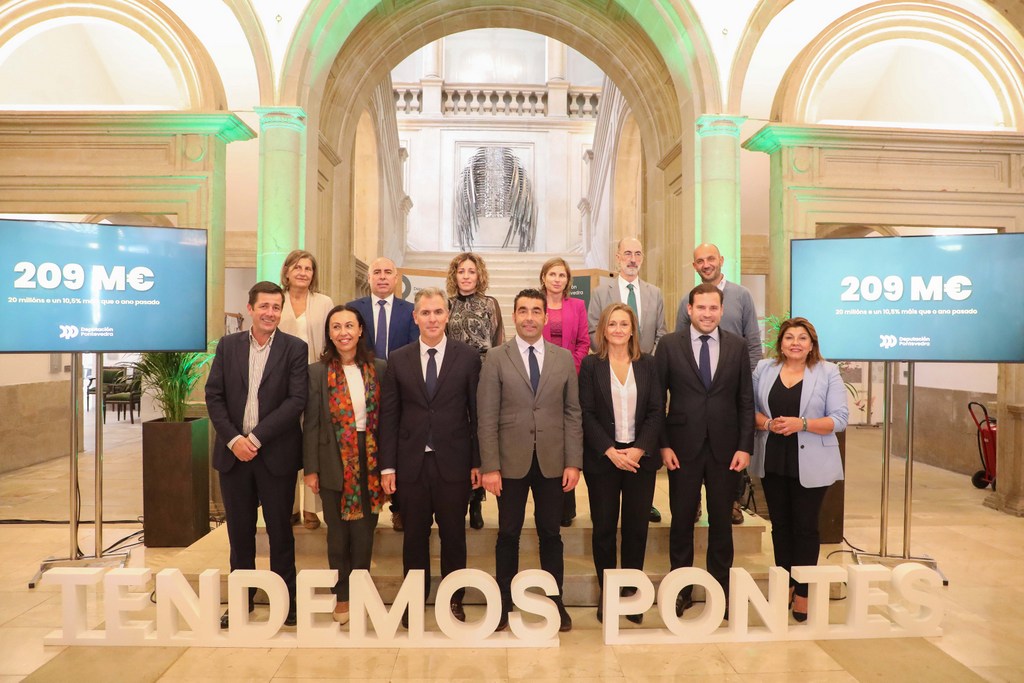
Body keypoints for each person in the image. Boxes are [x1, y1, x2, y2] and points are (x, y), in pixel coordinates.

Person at [478, 288, 583, 632]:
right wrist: (490, 466)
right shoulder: (496, 357)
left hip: (553, 461)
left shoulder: (562, 358)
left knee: (550, 533)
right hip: (509, 462)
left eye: (536, 311)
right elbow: (487, 416)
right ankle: (503, 602)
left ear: (546, 317)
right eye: (523, 310)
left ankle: (556, 602)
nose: (529, 317)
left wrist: (573, 462)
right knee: (508, 533)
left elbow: (573, 413)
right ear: (514, 316)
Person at [206, 281, 308, 629]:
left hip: (275, 455)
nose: (270, 313)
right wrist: (235, 439)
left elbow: (296, 400)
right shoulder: (228, 346)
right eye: (264, 306)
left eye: (276, 307)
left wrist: (257, 438)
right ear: (250, 308)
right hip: (234, 456)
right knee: (240, 535)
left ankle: (287, 603)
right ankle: (241, 602)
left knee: (280, 533)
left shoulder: (295, 348)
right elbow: (214, 395)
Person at [379, 288, 482, 624]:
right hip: (411, 464)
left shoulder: (467, 357)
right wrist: (387, 466)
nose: (432, 319)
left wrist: (478, 461)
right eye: (426, 313)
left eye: (438, 312)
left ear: (447, 316)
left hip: (454, 463)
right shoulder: (399, 358)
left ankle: (454, 599)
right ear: (415, 317)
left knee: (454, 535)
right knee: (414, 537)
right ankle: (413, 600)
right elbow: (389, 416)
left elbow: (476, 413)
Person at [656, 283, 753, 620]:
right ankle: (681, 590)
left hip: (726, 449)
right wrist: (663, 444)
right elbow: (657, 400)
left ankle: (721, 590)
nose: (707, 314)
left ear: (722, 310)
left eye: (713, 308)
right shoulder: (669, 345)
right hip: (681, 448)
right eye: (701, 307)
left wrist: (745, 446)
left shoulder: (737, 346)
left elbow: (745, 400)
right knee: (682, 520)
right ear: (690, 309)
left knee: (722, 522)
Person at [751, 317, 848, 622]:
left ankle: (804, 591)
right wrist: (768, 423)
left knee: (805, 527)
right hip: (773, 457)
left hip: (812, 460)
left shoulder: (827, 372)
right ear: (780, 343)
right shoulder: (764, 369)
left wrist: (801, 424)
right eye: (789, 337)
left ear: (811, 344)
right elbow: (749, 410)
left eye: (802, 338)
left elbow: (839, 419)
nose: (795, 343)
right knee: (780, 526)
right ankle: (785, 586)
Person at [579, 303, 664, 624]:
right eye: (612, 324)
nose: (617, 329)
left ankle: (631, 594)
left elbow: (656, 410)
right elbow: (586, 412)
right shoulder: (591, 365)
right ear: (603, 329)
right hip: (603, 459)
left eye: (623, 324)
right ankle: (609, 593)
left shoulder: (648, 364)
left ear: (632, 330)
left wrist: (639, 449)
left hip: (639, 460)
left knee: (636, 528)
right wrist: (609, 450)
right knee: (603, 529)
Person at [302, 305, 387, 625]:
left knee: (364, 533)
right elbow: (311, 424)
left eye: (349, 326)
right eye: (336, 327)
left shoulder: (379, 368)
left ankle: (361, 590)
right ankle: (342, 595)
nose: (343, 333)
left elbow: (389, 419)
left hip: (371, 459)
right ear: (329, 334)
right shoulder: (316, 372)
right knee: (337, 535)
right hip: (332, 459)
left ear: (360, 330)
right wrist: (311, 469)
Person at [675, 243, 762, 525]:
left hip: (730, 389)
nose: (706, 264)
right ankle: (695, 503)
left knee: (728, 454)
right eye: (700, 260)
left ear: (721, 260)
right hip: (696, 393)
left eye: (710, 258)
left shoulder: (742, 295)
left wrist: (746, 384)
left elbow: (753, 344)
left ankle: (732, 502)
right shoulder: (687, 300)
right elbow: (679, 348)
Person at [588, 236, 668, 523]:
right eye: (627, 253)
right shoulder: (601, 292)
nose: (632, 259)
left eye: (637, 253)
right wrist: (612, 355)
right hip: (609, 366)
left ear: (642, 257)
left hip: (643, 374)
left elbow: (661, 333)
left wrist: (642, 364)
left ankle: (644, 503)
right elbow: (592, 330)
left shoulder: (654, 293)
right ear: (618, 257)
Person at [347, 256, 419, 532]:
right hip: (361, 386)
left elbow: (414, 349)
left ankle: (398, 508)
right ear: (369, 278)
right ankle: (367, 507)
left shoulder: (410, 311)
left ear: (396, 278)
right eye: (377, 272)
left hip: (400, 387)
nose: (382, 276)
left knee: (397, 447)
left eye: (388, 272)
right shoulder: (354, 309)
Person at [446, 252, 504, 530]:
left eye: (471, 271)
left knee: (479, 437)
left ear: (479, 275)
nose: (466, 276)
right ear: (454, 275)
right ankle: (460, 497)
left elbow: (498, 339)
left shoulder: (490, 304)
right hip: (454, 376)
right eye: (461, 271)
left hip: (483, 374)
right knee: (458, 436)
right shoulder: (447, 304)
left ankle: (476, 501)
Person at [278, 249, 335, 531]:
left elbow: (331, 341)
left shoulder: (324, 302)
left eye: (308, 268)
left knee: (313, 440)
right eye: (298, 267)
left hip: (314, 378)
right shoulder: (276, 300)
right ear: (287, 271)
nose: (303, 272)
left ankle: (312, 507)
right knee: (285, 442)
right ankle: (288, 506)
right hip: (280, 381)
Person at [539, 256, 590, 528]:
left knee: (566, 438)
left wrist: (569, 368)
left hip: (571, 378)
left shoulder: (577, 306)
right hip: (540, 381)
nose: (557, 279)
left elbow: (583, 342)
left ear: (568, 280)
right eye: (552, 274)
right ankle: (546, 504)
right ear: (543, 278)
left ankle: (566, 508)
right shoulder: (536, 304)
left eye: (562, 275)